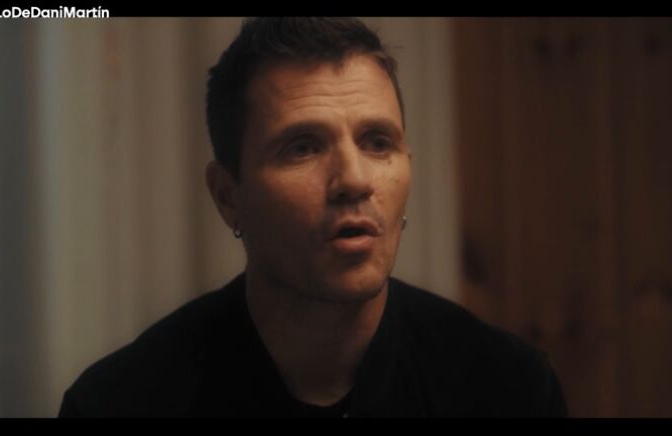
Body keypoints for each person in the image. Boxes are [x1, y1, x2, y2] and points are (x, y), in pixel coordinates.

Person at [58, 17, 567, 418]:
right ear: (228, 197)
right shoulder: (120, 403)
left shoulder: (508, 389)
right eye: (302, 147)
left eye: (377, 142)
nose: (354, 179)